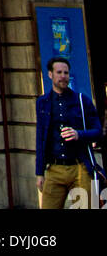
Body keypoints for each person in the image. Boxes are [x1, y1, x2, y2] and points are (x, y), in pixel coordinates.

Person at [35, 56, 102, 208]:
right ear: (50, 74)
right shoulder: (43, 102)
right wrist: (39, 173)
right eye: (59, 72)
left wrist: (79, 134)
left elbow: (98, 132)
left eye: (66, 73)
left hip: (80, 167)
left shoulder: (81, 100)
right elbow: (40, 138)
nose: (63, 76)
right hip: (54, 168)